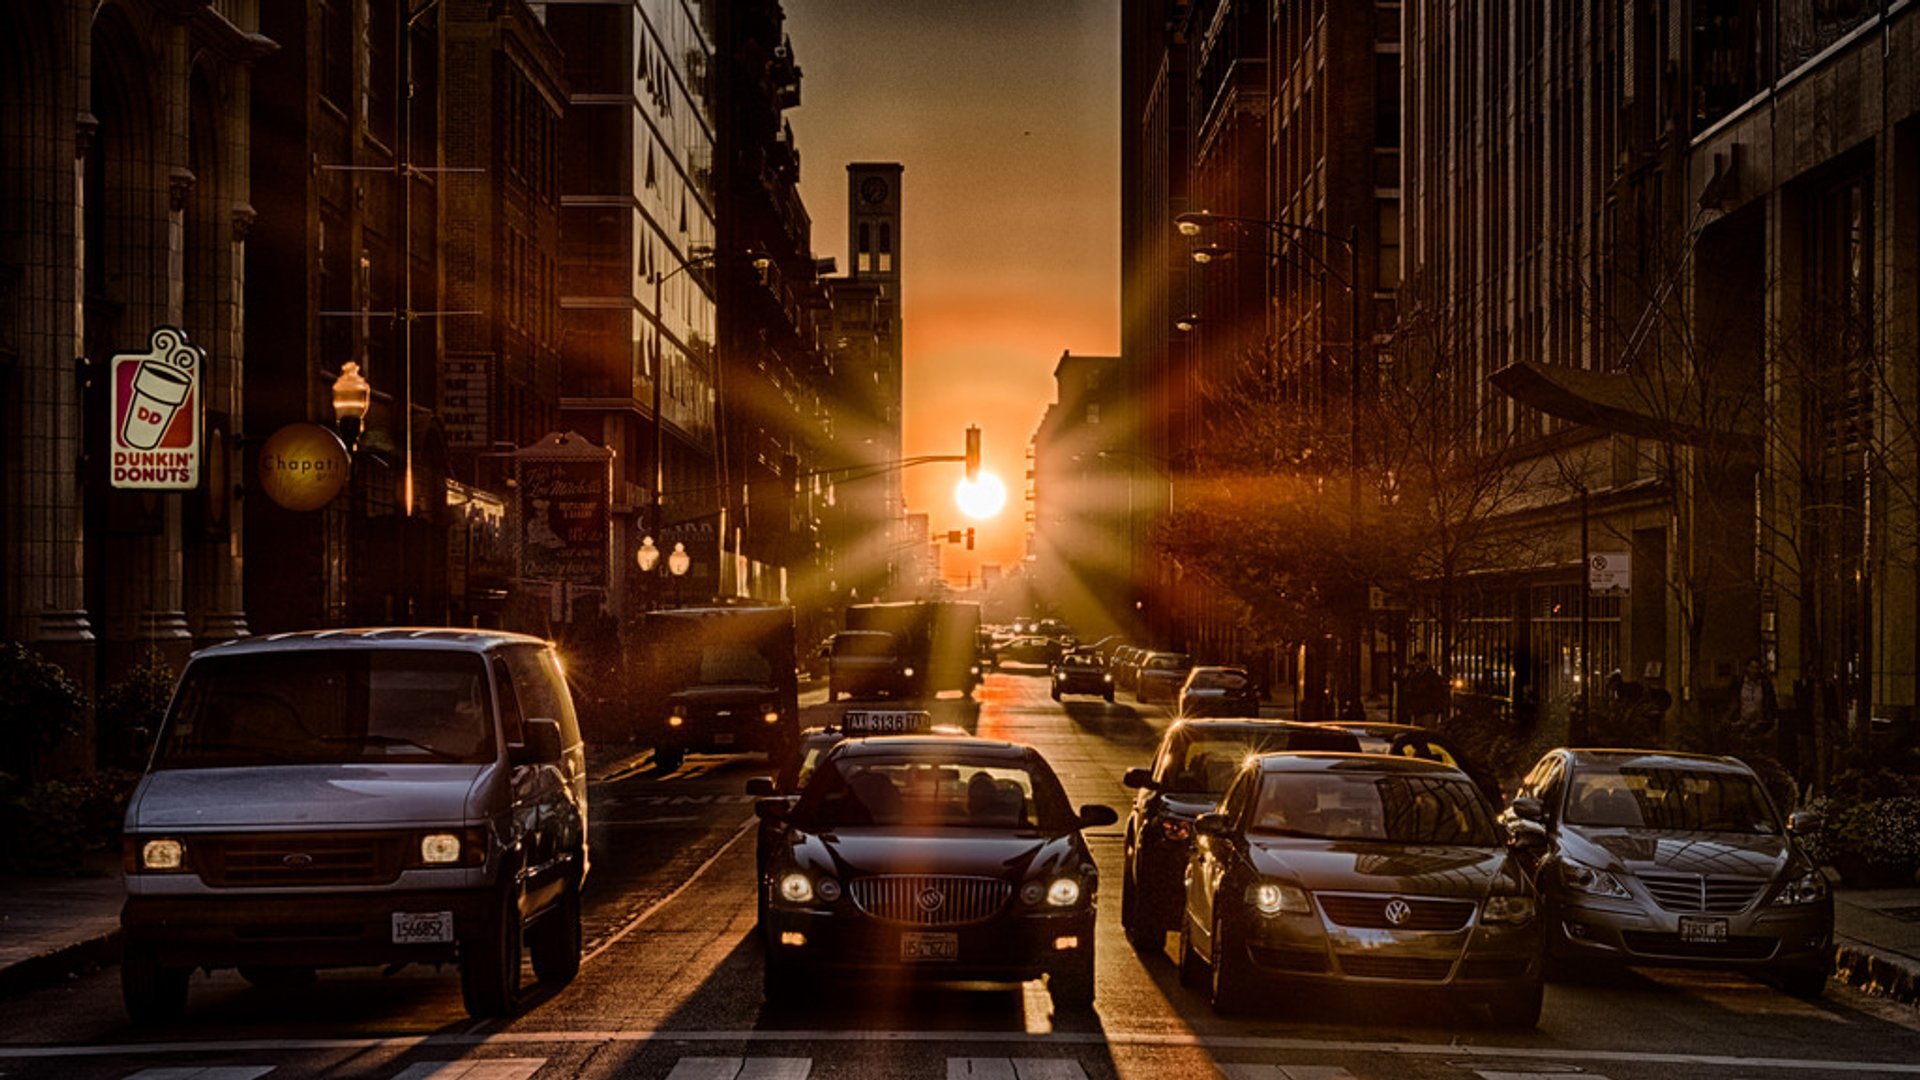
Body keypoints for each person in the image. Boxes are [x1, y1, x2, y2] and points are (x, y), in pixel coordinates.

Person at [1727, 656, 1778, 741]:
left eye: (1757, 668)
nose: (1754, 671)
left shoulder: (1765, 685)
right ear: (1747, 668)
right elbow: (1733, 701)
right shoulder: (1739, 683)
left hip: (1759, 724)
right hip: (1741, 723)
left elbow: (1771, 703)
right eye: (1752, 667)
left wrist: (1769, 720)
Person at [1399, 653, 1449, 726]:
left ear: (1425, 663)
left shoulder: (1432, 677)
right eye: (1415, 663)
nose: (1416, 666)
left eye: (1418, 663)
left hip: (1428, 711)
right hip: (1419, 711)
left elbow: (1436, 695)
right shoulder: (1416, 677)